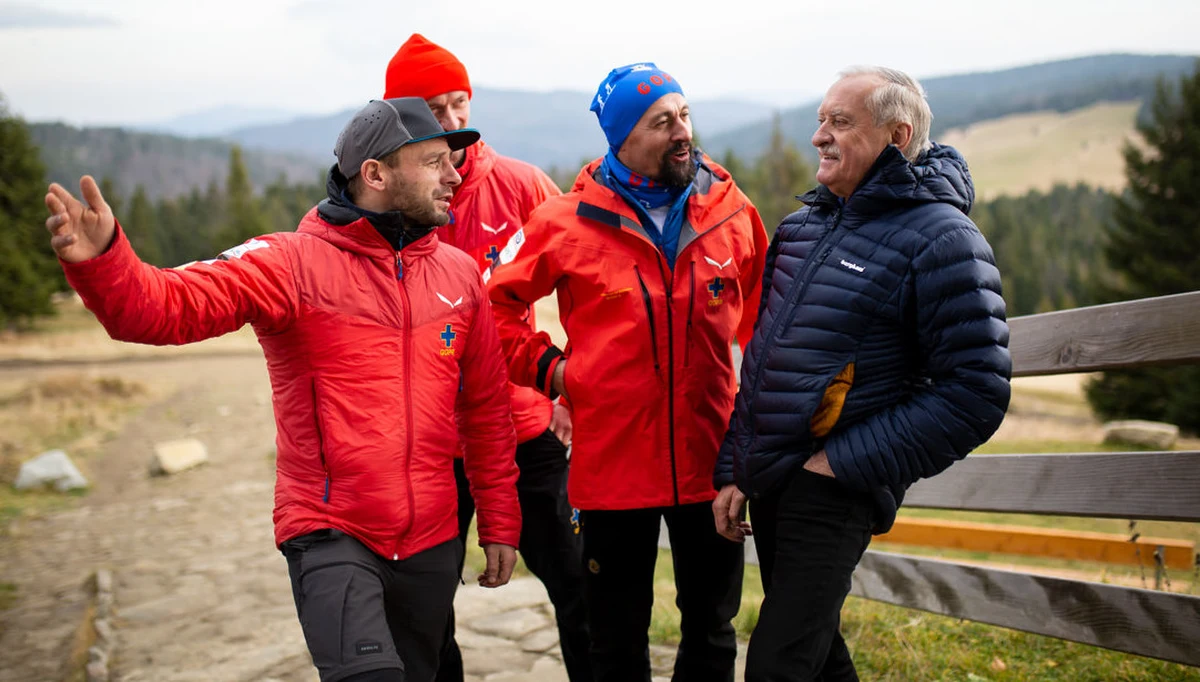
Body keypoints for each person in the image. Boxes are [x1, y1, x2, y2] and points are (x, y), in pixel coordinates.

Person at [43, 98, 522, 682]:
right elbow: (165, 308)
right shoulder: (290, 263)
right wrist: (106, 264)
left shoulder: (457, 273)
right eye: (433, 162)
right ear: (375, 174)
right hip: (331, 531)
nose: (455, 175)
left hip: (431, 538)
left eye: (454, 161)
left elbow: (487, 411)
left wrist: (499, 520)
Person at [712, 66, 1012, 681]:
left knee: (778, 662)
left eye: (840, 122)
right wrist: (736, 468)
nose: (820, 135)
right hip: (773, 478)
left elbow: (976, 390)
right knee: (816, 657)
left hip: (837, 487)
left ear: (897, 137)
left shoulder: (943, 237)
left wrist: (839, 466)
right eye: (820, 119)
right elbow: (766, 359)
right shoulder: (801, 229)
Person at [487, 62, 769, 682]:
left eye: (685, 115)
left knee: (712, 632)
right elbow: (493, 308)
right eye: (661, 121)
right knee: (612, 643)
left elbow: (766, 323)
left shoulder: (731, 209)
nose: (681, 132)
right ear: (621, 139)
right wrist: (552, 374)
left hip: (711, 464)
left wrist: (760, 416)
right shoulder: (565, 221)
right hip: (611, 471)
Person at [383, 34, 592, 682]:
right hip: (426, 443)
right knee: (422, 607)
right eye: (432, 110)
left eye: (457, 105)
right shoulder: (385, 201)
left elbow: (586, 284)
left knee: (580, 591)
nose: (450, 125)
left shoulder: (522, 185)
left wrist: (569, 386)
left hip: (521, 427)